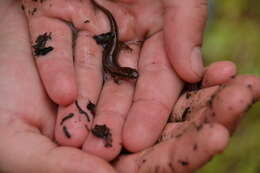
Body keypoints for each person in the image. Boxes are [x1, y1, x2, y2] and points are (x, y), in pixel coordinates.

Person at [0, 0, 259, 172]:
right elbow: (110, 67)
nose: (132, 78)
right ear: (125, 74)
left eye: (132, 76)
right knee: (114, 43)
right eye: (130, 75)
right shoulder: (116, 71)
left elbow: (114, 67)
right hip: (110, 43)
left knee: (174, 26)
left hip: (133, 31)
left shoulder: (118, 71)